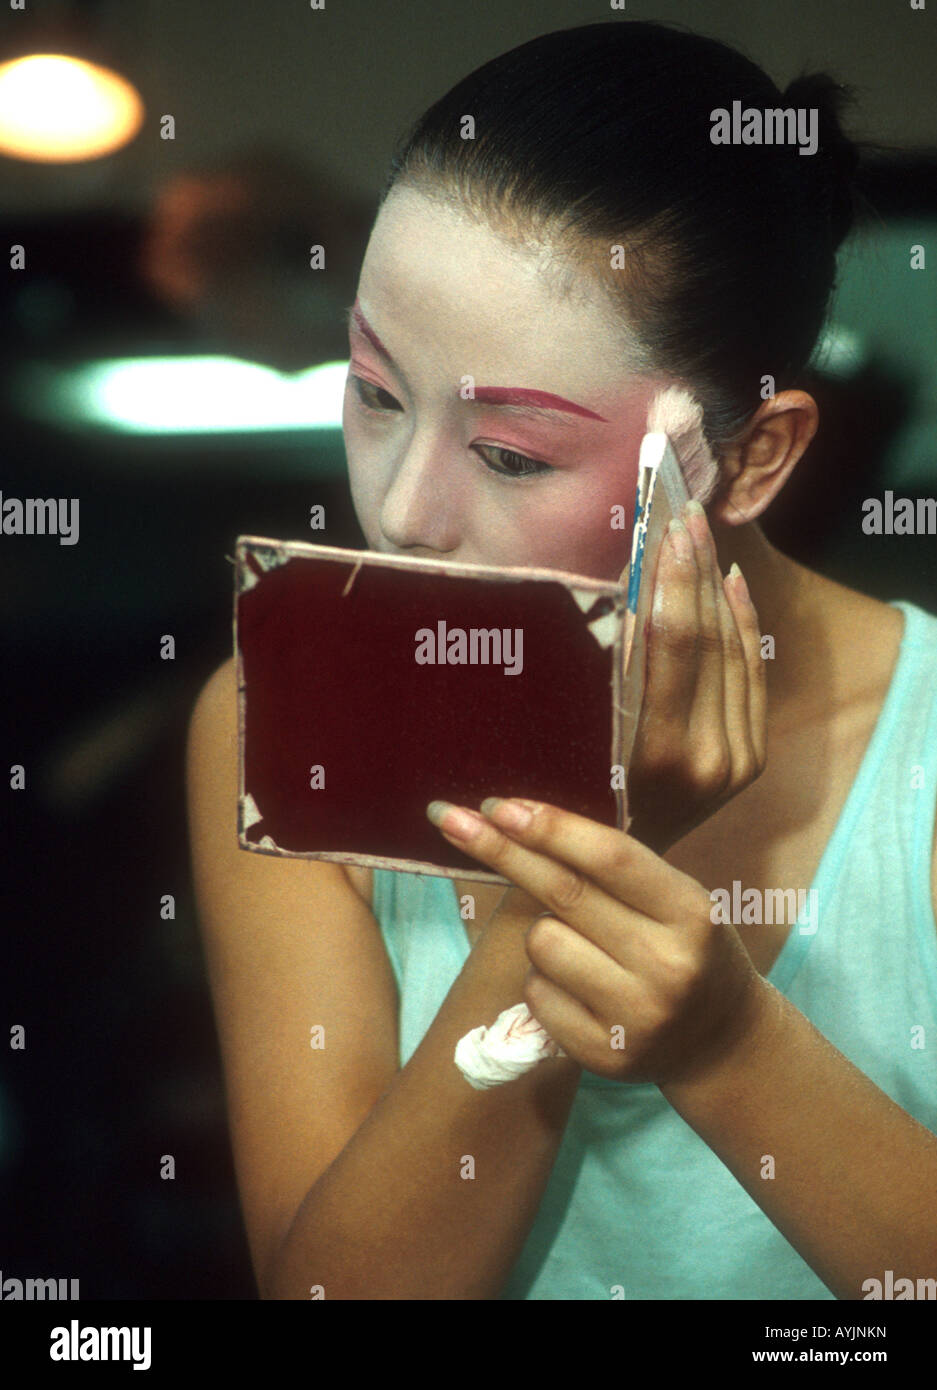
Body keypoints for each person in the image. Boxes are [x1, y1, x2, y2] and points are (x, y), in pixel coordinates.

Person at [186, 20, 937, 1300]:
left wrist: (720, 1041)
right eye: (373, 390)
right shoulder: (277, 717)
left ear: (752, 458)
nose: (405, 510)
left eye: (513, 454)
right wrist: (585, 866)